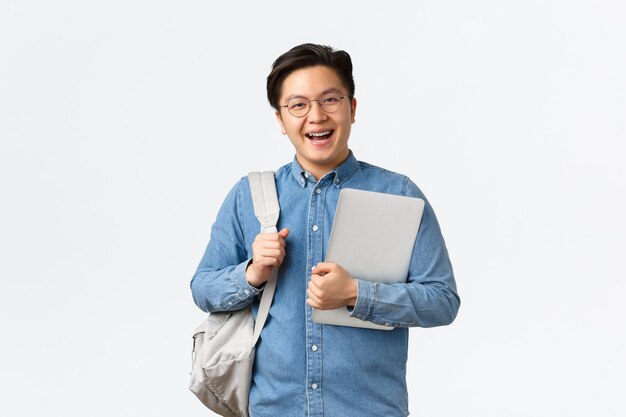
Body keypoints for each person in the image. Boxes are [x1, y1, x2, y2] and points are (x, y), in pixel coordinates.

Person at [191, 43, 460, 417]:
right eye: (298, 105)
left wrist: (356, 293)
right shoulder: (248, 196)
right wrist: (250, 274)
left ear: (352, 108)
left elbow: (442, 300)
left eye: (330, 99)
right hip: (274, 409)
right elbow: (202, 288)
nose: (316, 116)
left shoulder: (398, 194)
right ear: (280, 120)